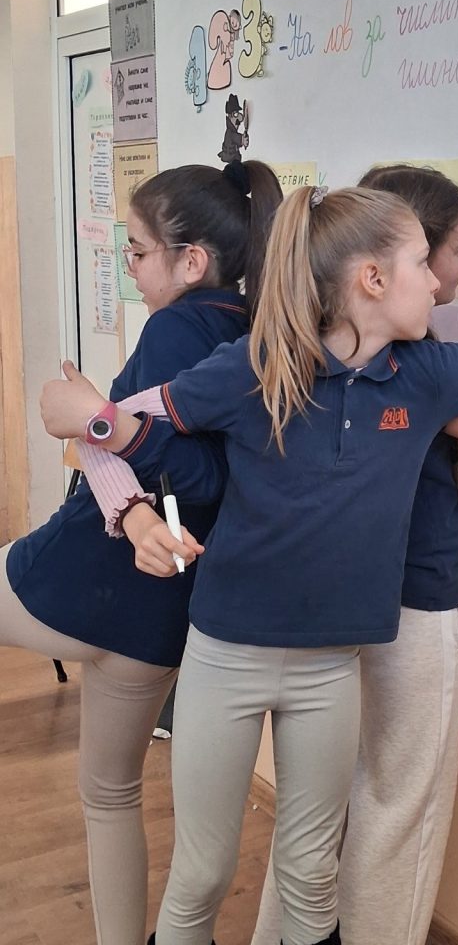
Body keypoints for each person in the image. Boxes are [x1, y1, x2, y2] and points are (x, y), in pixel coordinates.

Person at [40, 185, 458, 945]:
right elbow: (106, 425)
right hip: (226, 660)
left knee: (311, 878)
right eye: (420, 264)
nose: (438, 283)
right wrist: (130, 511)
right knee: (201, 875)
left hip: (330, 668)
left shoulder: (430, 374)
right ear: (373, 279)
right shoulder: (252, 369)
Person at [251, 164, 458, 945]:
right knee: (400, 809)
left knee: (316, 809)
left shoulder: (306, 355)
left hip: (323, 607)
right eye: (452, 249)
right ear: (383, 272)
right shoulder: (427, 370)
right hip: (418, 602)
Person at [1, 158, 282, 945]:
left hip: (85, 586)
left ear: (192, 261)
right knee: (110, 794)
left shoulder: (178, 328)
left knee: (109, 795)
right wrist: (97, 424)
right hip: (161, 616)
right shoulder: (253, 331)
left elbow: (180, 466)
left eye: (137, 251)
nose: (128, 265)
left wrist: (91, 419)